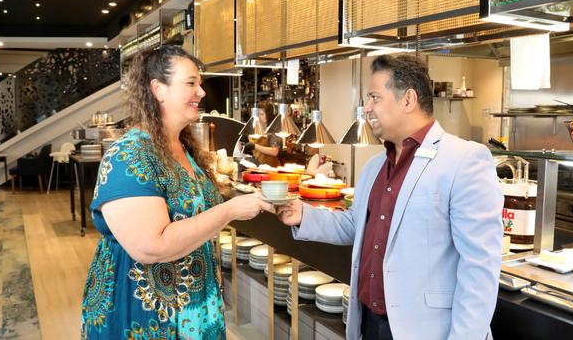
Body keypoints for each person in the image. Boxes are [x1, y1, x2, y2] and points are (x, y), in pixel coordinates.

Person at [277, 54, 503, 340]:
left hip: (427, 331)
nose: (366, 108)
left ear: (408, 99)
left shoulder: (464, 159)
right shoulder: (374, 167)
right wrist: (303, 215)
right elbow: (354, 225)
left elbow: (480, 267)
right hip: (369, 324)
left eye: (374, 97)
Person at [81, 45, 272, 339]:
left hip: (193, 306)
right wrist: (230, 210)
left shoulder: (181, 148)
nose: (202, 92)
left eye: (200, 83)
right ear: (158, 89)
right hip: (144, 313)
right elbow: (150, 247)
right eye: (191, 83)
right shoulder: (129, 154)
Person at [243, 99, 281, 166]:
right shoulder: (255, 128)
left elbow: (275, 151)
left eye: (262, 114)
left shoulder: (273, 130)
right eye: (259, 114)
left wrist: (255, 146)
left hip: (271, 168)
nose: (259, 117)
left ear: (269, 115)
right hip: (258, 167)